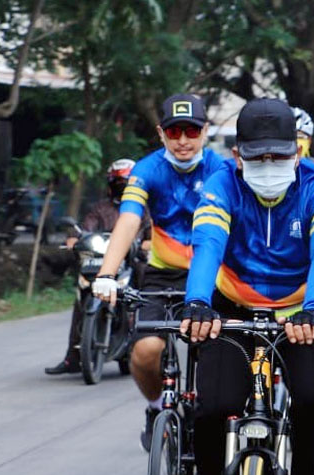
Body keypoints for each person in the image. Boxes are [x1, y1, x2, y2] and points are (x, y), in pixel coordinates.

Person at [179, 97, 314, 475]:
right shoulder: (220, 185)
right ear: (238, 156)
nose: (269, 165)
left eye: (280, 155)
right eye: (258, 157)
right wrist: (197, 303)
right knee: (212, 408)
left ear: (298, 151)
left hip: (303, 313)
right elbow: (207, 244)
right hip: (231, 310)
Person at [91, 94, 231, 449]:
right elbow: (129, 219)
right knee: (145, 352)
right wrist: (106, 274)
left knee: (219, 362)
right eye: (174, 132)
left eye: (191, 131)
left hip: (214, 277)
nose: (183, 140)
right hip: (163, 275)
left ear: (205, 131)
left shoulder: (221, 169)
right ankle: (156, 407)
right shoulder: (147, 169)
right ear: (161, 133)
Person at [44, 158, 150, 375]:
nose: (121, 188)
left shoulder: (144, 209)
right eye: (117, 183)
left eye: (125, 184)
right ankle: (73, 357)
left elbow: (152, 236)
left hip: (132, 262)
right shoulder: (100, 208)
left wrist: (144, 244)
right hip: (102, 263)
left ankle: (141, 345)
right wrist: (74, 239)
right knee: (82, 295)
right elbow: (85, 229)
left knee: (146, 290)